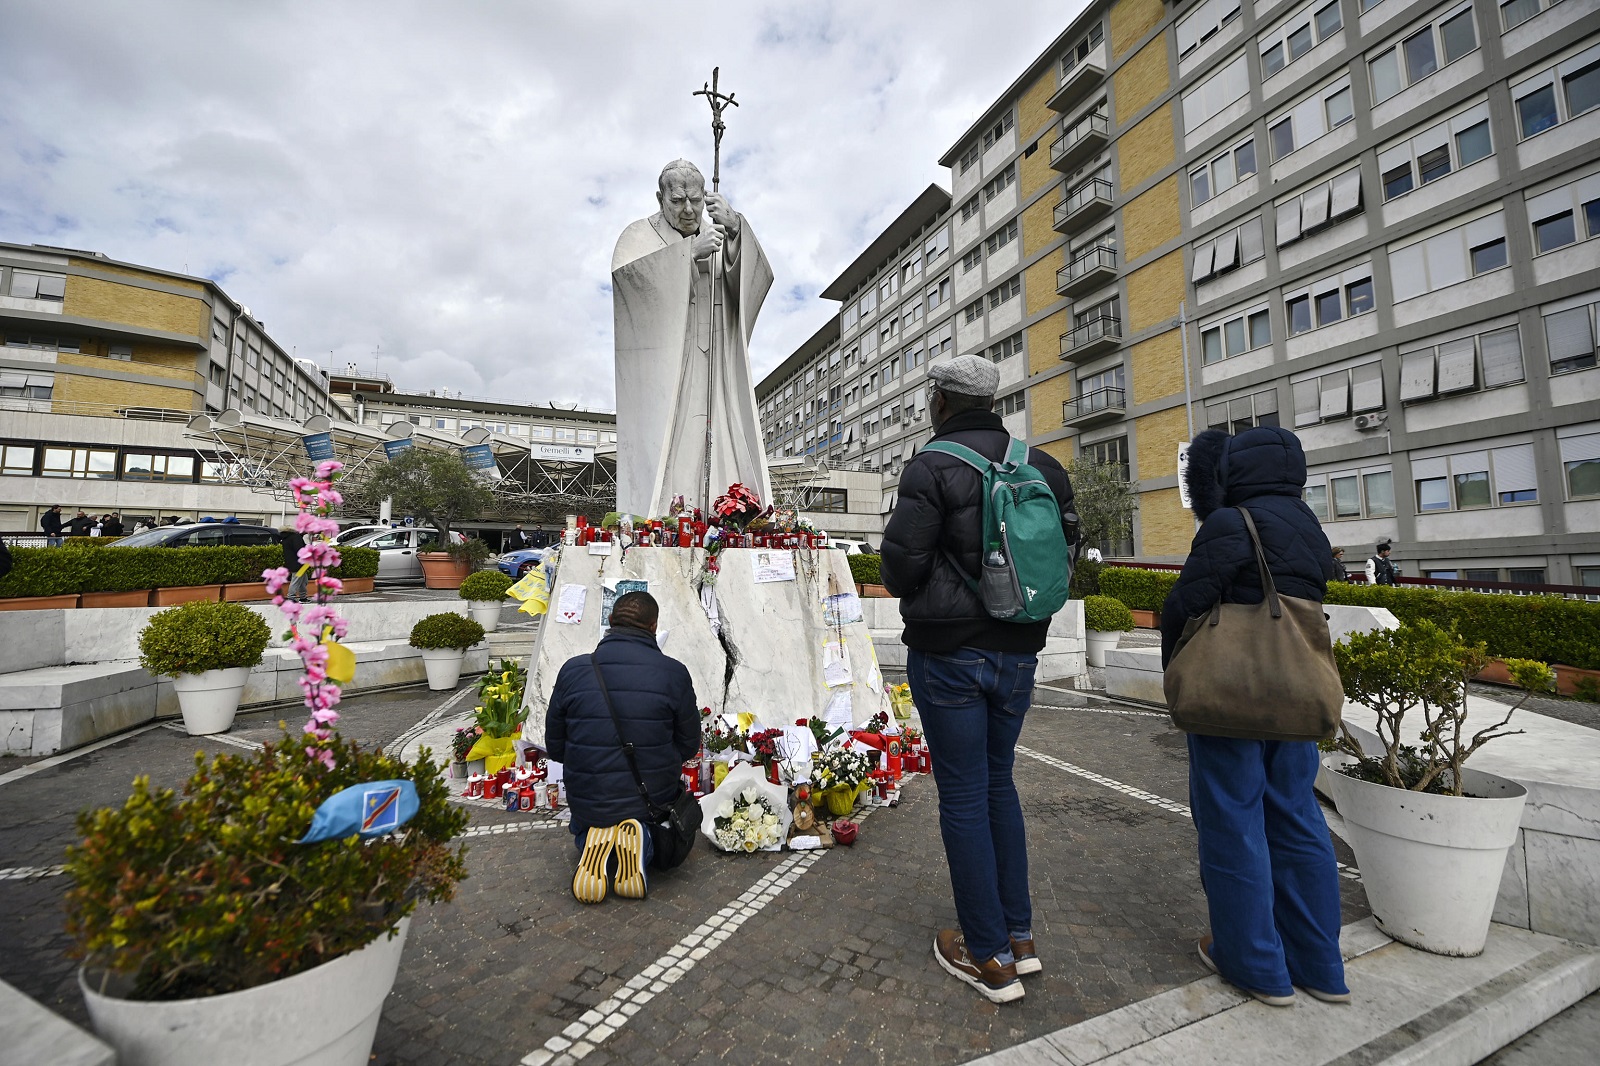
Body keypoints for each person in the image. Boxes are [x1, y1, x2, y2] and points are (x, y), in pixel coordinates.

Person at [880, 354, 1076, 1005]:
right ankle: (1019, 937)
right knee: (999, 783)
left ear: (940, 401)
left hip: (949, 657)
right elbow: (1063, 553)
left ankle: (985, 952)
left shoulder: (931, 467)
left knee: (963, 796)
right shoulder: (1042, 465)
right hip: (1020, 653)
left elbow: (901, 571)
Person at [1159, 425, 1348, 1008]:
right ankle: (1320, 966)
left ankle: (1255, 963)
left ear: (1237, 470)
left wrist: (1177, 674)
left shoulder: (1230, 523)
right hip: (1294, 699)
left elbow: (1185, 604)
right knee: (1297, 819)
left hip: (1231, 701)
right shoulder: (1308, 525)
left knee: (1232, 822)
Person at [611, 159, 774, 516]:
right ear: (660, 198)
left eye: (696, 200)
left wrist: (736, 233)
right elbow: (630, 285)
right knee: (676, 443)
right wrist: (687, 256)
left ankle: (727, 513)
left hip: (715, 363)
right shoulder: (638, 236)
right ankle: (666, 517)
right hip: (669, 367)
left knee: (722, 440)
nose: (688, 210)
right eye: (678, 200)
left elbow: (751, 286)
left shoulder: (716, 232)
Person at [545, 591, 700, 904]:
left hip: (588, 802)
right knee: (671, 833)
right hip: (649, 803)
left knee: (585, 824)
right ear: (654, 627)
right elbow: (688, 746)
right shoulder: (674, 673)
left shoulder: (573, 670)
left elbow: (555, 748)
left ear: (610, 622)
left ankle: (591, 839)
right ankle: (640, 842)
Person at [279, 529, 308, 601]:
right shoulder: (296, 537)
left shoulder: (287, 538)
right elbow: (299, 550)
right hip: (298, 563)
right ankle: (291, 597)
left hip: (292, 562)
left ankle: (303, 597)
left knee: (303, 580)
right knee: (297, 580)